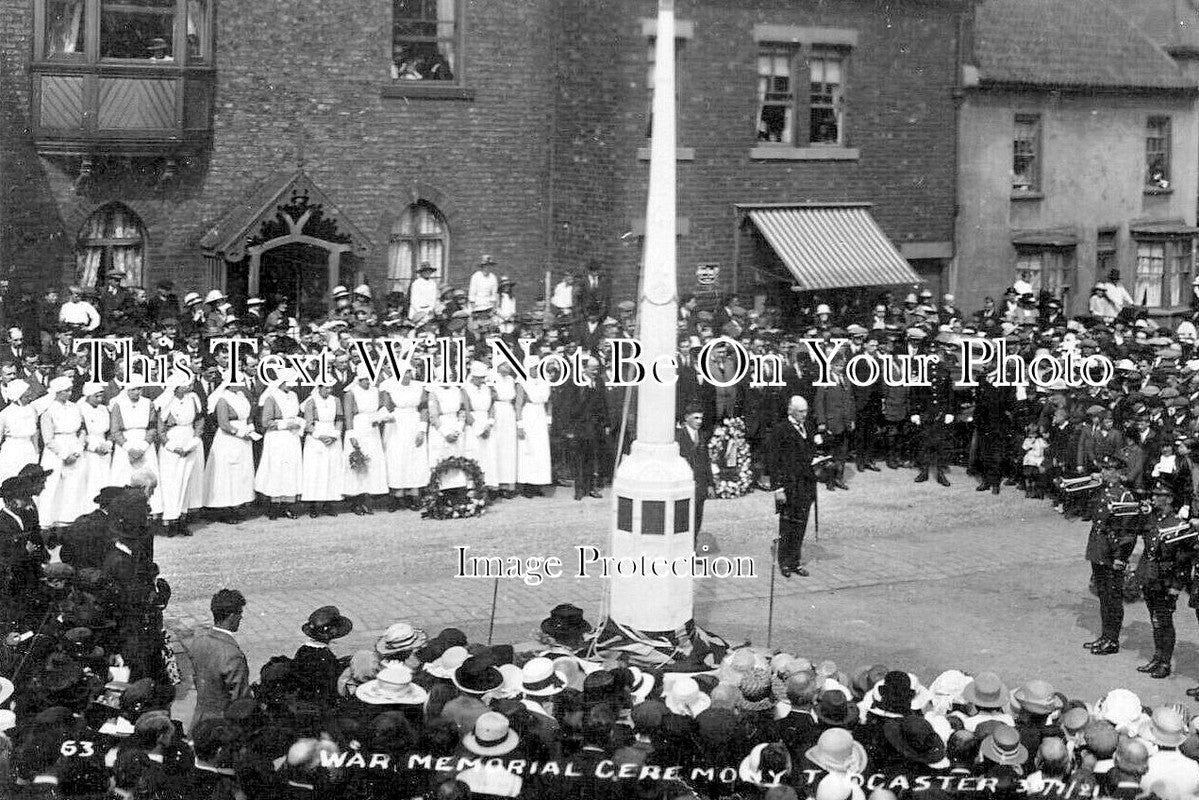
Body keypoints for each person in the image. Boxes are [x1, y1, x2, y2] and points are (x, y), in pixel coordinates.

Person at [1083, 455, 1141, 656]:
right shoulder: (1102, 491)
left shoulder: (1125, 497)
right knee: (1103, 595)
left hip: (1112, 550)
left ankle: (1112, 639)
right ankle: (1105, 636)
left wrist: (1121, 557)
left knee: (1113, 597)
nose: (1105, 472)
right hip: (1099, 548)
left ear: (1119, 473)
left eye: (1110, 470)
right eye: (1105, 469)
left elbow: (1129, 532)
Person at [1136, 482, 1194, 679]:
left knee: (1165, 621)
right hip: (1151, 577)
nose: (1153, 498)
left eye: (1158, 495)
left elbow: (1183, 560)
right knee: (1155, 619)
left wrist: (1176, 587)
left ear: (1169, 499)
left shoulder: (1178, 524)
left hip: (1166, 581)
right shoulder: (1152, 519)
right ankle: (1157, 656)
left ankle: (1165, 662)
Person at [767, 396, 818, 578]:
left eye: (806, 411)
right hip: (788, 486)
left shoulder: (808, 427)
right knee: (787, 525)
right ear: (791, 411)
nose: (804, 415)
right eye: (800, 412)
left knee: (801, 524)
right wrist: (778, 489)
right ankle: (784, 562)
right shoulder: (781, 430)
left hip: (805, 485)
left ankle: (795, 561)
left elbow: (811, 452)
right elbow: (773, 461)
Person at [187, 588, 251, 730]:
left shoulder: (198, 641)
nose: (241, 618)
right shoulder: (233, 655)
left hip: (199, 719)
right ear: (232, 616)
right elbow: (240, 699)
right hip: (222, 726)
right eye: (240, 613)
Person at [155, 373, 205, 536]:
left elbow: (199, 420)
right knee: (171, 482)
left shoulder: (193, 399)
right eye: (184, 385)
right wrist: (172, 446)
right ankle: (170, 520)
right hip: (172, 444)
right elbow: (161, 429)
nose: (188, 387)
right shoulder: (166, 402)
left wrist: (194, 440)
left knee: (186, 480)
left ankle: (182, 519)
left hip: (189, 440)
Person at [300, 382, 344, 517]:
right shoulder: (311, 401)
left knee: (331, 469)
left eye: (331, 387)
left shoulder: (336, 401)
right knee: (315, 471)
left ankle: (328, 504)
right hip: (316, 438)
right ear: (319, 388)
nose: (329, 390)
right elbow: (308, 423)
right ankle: (313, 505)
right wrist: (320, 436)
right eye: (326, 388)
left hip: (332, 436)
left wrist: (335, 435)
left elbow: (339, 418)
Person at [676, 403, 710, 535]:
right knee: (684, 517)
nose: (699, 421)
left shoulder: (702, 436)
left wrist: (710, 484)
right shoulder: (679, 436)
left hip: (700, 484)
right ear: (686, 418)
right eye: (696, 418)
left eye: (701, 418)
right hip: (686, 482)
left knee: (697, 517)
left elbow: (706, 461)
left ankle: (693, 546)